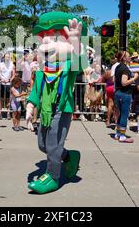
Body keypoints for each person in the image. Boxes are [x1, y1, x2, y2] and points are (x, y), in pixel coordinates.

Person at [25, 12, 87, 194]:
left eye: (55, 38)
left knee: (52, 144)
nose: (46, 43)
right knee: (43, 145)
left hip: (61, 108)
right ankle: (69, 156)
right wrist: (30, 106)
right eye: (44, 38)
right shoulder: (43, 69)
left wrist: (76, 44)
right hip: (46, 110)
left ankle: (53, 176)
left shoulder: (68, 66)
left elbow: (80, 63)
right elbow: (36, 90)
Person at [113, 51, 138, 143]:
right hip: (124, 94)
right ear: (124, 58)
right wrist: (134, 78)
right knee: (124, 115)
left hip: (118, 93)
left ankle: (118, 134)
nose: (130, 57)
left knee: (120, 114)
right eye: (128, 56)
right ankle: (122, 136)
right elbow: (124, 82)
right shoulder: (124, 68)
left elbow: (115, 80)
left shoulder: (118, 67)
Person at [0, 53, 15, 119]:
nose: (7, 58)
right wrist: (2, 79)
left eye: (8, 57)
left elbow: (13, 74)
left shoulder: (12, 65)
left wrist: (9, 80)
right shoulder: (0, 65)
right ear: (4, 58)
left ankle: (8, 113)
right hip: (1, 83)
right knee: (0, 99)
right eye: (6, 57)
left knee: (8, 99)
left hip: (8, 84)